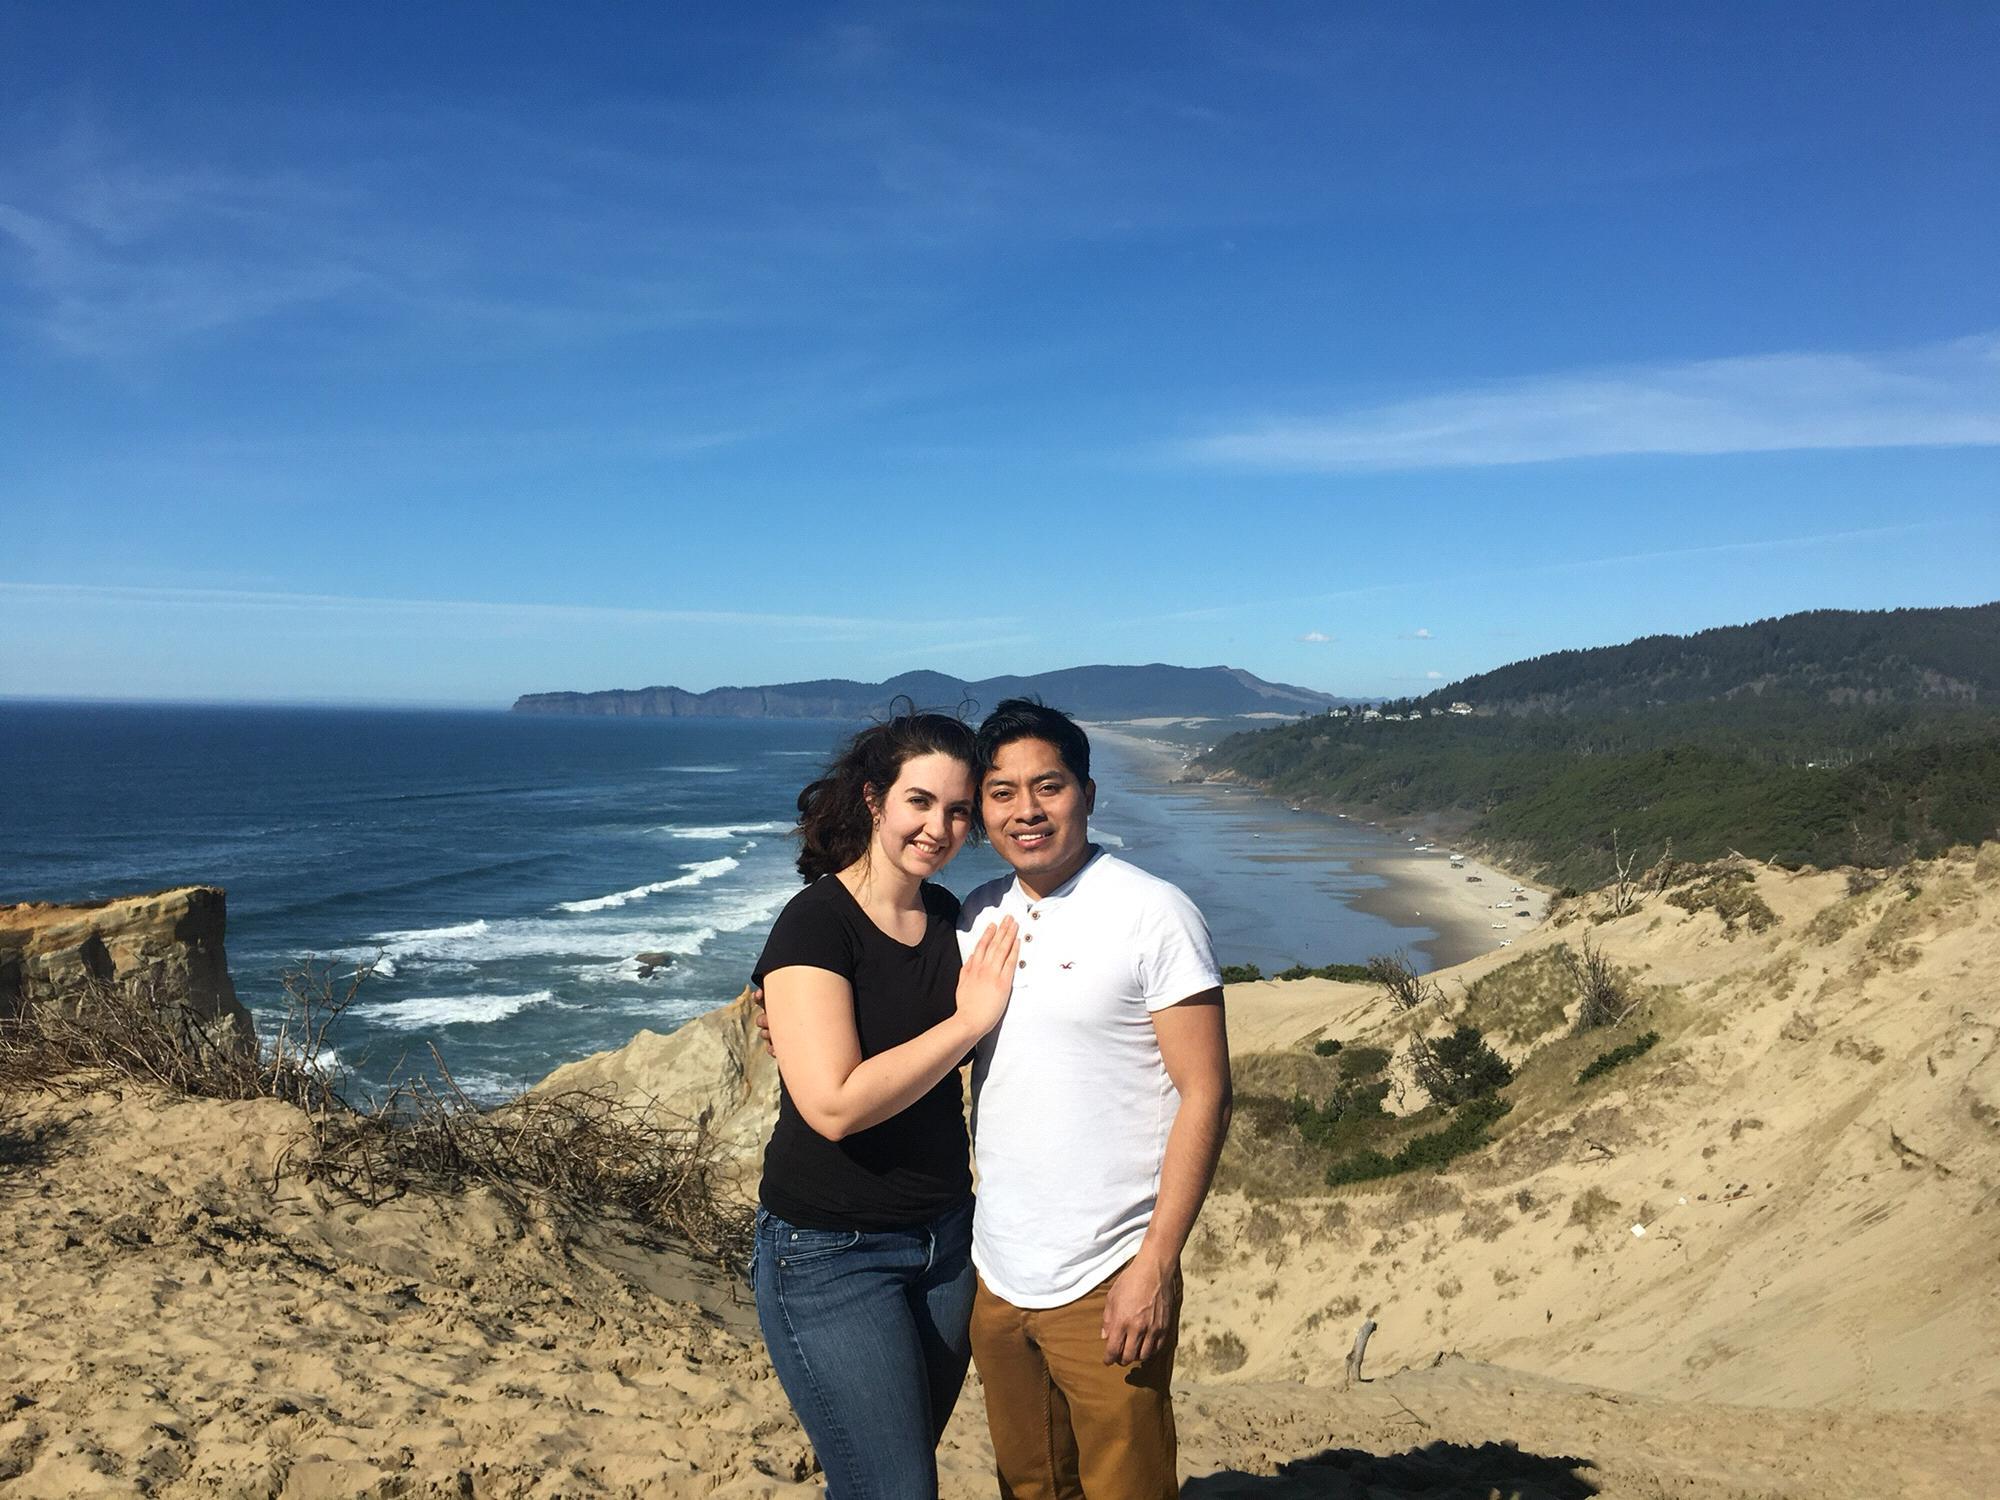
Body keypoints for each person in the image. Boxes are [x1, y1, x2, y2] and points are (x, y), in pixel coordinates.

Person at [958, 699, 1230, 1500]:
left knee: (1127, 1488)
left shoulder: (1154, 914)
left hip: (1108, 1276)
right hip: (998, 1272)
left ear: (1088, 793)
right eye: (1002, 792)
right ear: (981, 809)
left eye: (1049, 786)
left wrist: (1155, 1265)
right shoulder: (977, 915)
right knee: (1031, 1484)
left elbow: (1207, 1094)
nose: (1026, 810)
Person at [750, 709, 1020, 1500]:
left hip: (944, 1245)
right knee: (896, 1489)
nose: (938, 827)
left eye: (959, 810)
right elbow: (832, 1105)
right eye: (920, 802)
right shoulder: (816, 925)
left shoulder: (952, 922)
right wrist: (970, 1021)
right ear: (874, 801)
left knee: (880, 1480)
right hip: (832, 1255)